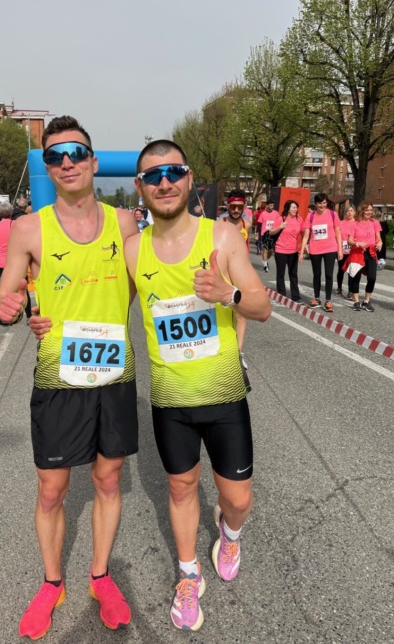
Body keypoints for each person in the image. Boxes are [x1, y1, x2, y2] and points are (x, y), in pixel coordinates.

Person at [0, 115, 139, 640]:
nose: (67, 162)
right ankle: (53, 582)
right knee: (52, 489)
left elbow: (151, 282)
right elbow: (3, 296)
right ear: (47, 167)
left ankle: (99, 576)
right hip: (58, 375)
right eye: (55, 155)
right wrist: (9, 308)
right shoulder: (29, 228)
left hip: (114, 372)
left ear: (93, 162)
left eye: (76, 152)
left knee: (108, 480)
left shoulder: (125, 223)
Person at [124, 140, 270, 631]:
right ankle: (188, 573)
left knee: (239, 499)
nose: (164, 182)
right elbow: (102, 309)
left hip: (224, 394)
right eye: (153, 176)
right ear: (140, 186)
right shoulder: (133, 250)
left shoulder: (222, 236)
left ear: (189, 179)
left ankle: (230, 534)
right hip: (171, 399)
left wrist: (227, 293)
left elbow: (262, 307)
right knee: (181, 486)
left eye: (173, 172)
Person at [217, 189, 252, 369]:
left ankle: (238, 353)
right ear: (227, 205)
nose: (236, 210)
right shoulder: (219, 224)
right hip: (224, 273)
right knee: (221, 313)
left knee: (241, 313)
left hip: (241, 273)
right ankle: (221, 351)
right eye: (233, 206)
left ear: (244, 205)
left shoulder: (247, 224)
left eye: (239, 206)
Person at [299, 193, 342, 313]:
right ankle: (317, 299)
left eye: (324, 203)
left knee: (329, 274)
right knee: (316, 274)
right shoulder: (311, 216)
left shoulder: (333, 214)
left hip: (330, 248)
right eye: (319, 203)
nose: (322, 205)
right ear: (315, 204)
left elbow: (338, 232)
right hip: (315, 249)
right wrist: (301, 252)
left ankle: (328, 300)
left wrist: (340, 249)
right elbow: (306, 235)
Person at [343, 202, 382, 312]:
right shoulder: (354, 224)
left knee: (372, 278)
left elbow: (379, 238)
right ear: (362, 211)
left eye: (371, 210)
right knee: (356, 278)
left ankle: (366, 301)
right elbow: (349, 241)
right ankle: (356, 301)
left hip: (371, 252)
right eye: (367, 210)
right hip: (357, 252)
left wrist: (380, 243)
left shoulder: (375, 223)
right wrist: (357, 243)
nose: (369, 212)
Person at [270, 200, 304, 303]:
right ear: (288, 208)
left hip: (293, 251)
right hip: (281, 250)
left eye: (296, 208)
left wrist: (305, 246)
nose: (295, 209)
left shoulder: (299, 219)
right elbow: (271, 232)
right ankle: (282, 295)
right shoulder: (281, 219)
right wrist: (280, 227)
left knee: (293, 274)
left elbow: (303, 232)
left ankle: (296, 297)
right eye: (293, 207)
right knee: (281, 273)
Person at [336, 204, 355, 298]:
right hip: (342, 250)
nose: (349, 213)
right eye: (347, 211)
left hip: (353, 250)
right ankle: (339, 287)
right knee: (341, 270)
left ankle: (350, 291)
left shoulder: (357, 223)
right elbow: (336, 235)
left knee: (351, 271)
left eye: (351, 211)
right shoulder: (340, 223)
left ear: (354, 212)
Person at [257, 200, 279, 272]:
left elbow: (279, 222)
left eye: (273, 205)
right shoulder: (263, 214)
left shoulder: (276, 213)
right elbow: (259, 224)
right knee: (265, 249)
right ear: (267, 206)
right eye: (271, 205)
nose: (272, 207)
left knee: (271, 250)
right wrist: (257, 234)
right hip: (265, 233)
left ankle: (265, 260)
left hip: (273, 233)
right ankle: (265, 266)